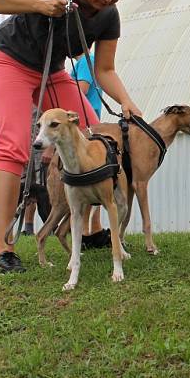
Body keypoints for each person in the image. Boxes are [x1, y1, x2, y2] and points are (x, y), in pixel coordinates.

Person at [0, 0, 142, 273]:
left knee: (93, 134)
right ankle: (3, 250)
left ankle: (91, 230)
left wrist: (127, 101)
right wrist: (40, 5)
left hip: (52, 72)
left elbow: (105, 70)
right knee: (13, 147)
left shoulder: (108, 15)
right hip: (10, 60)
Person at [70, 49, 111, 249]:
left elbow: (82, 90)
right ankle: (90, 230)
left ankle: (90, 230)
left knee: (88, 177)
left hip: (84, 122)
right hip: (83, 121)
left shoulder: (88, 60)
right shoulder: (80, 63)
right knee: (85, 179)